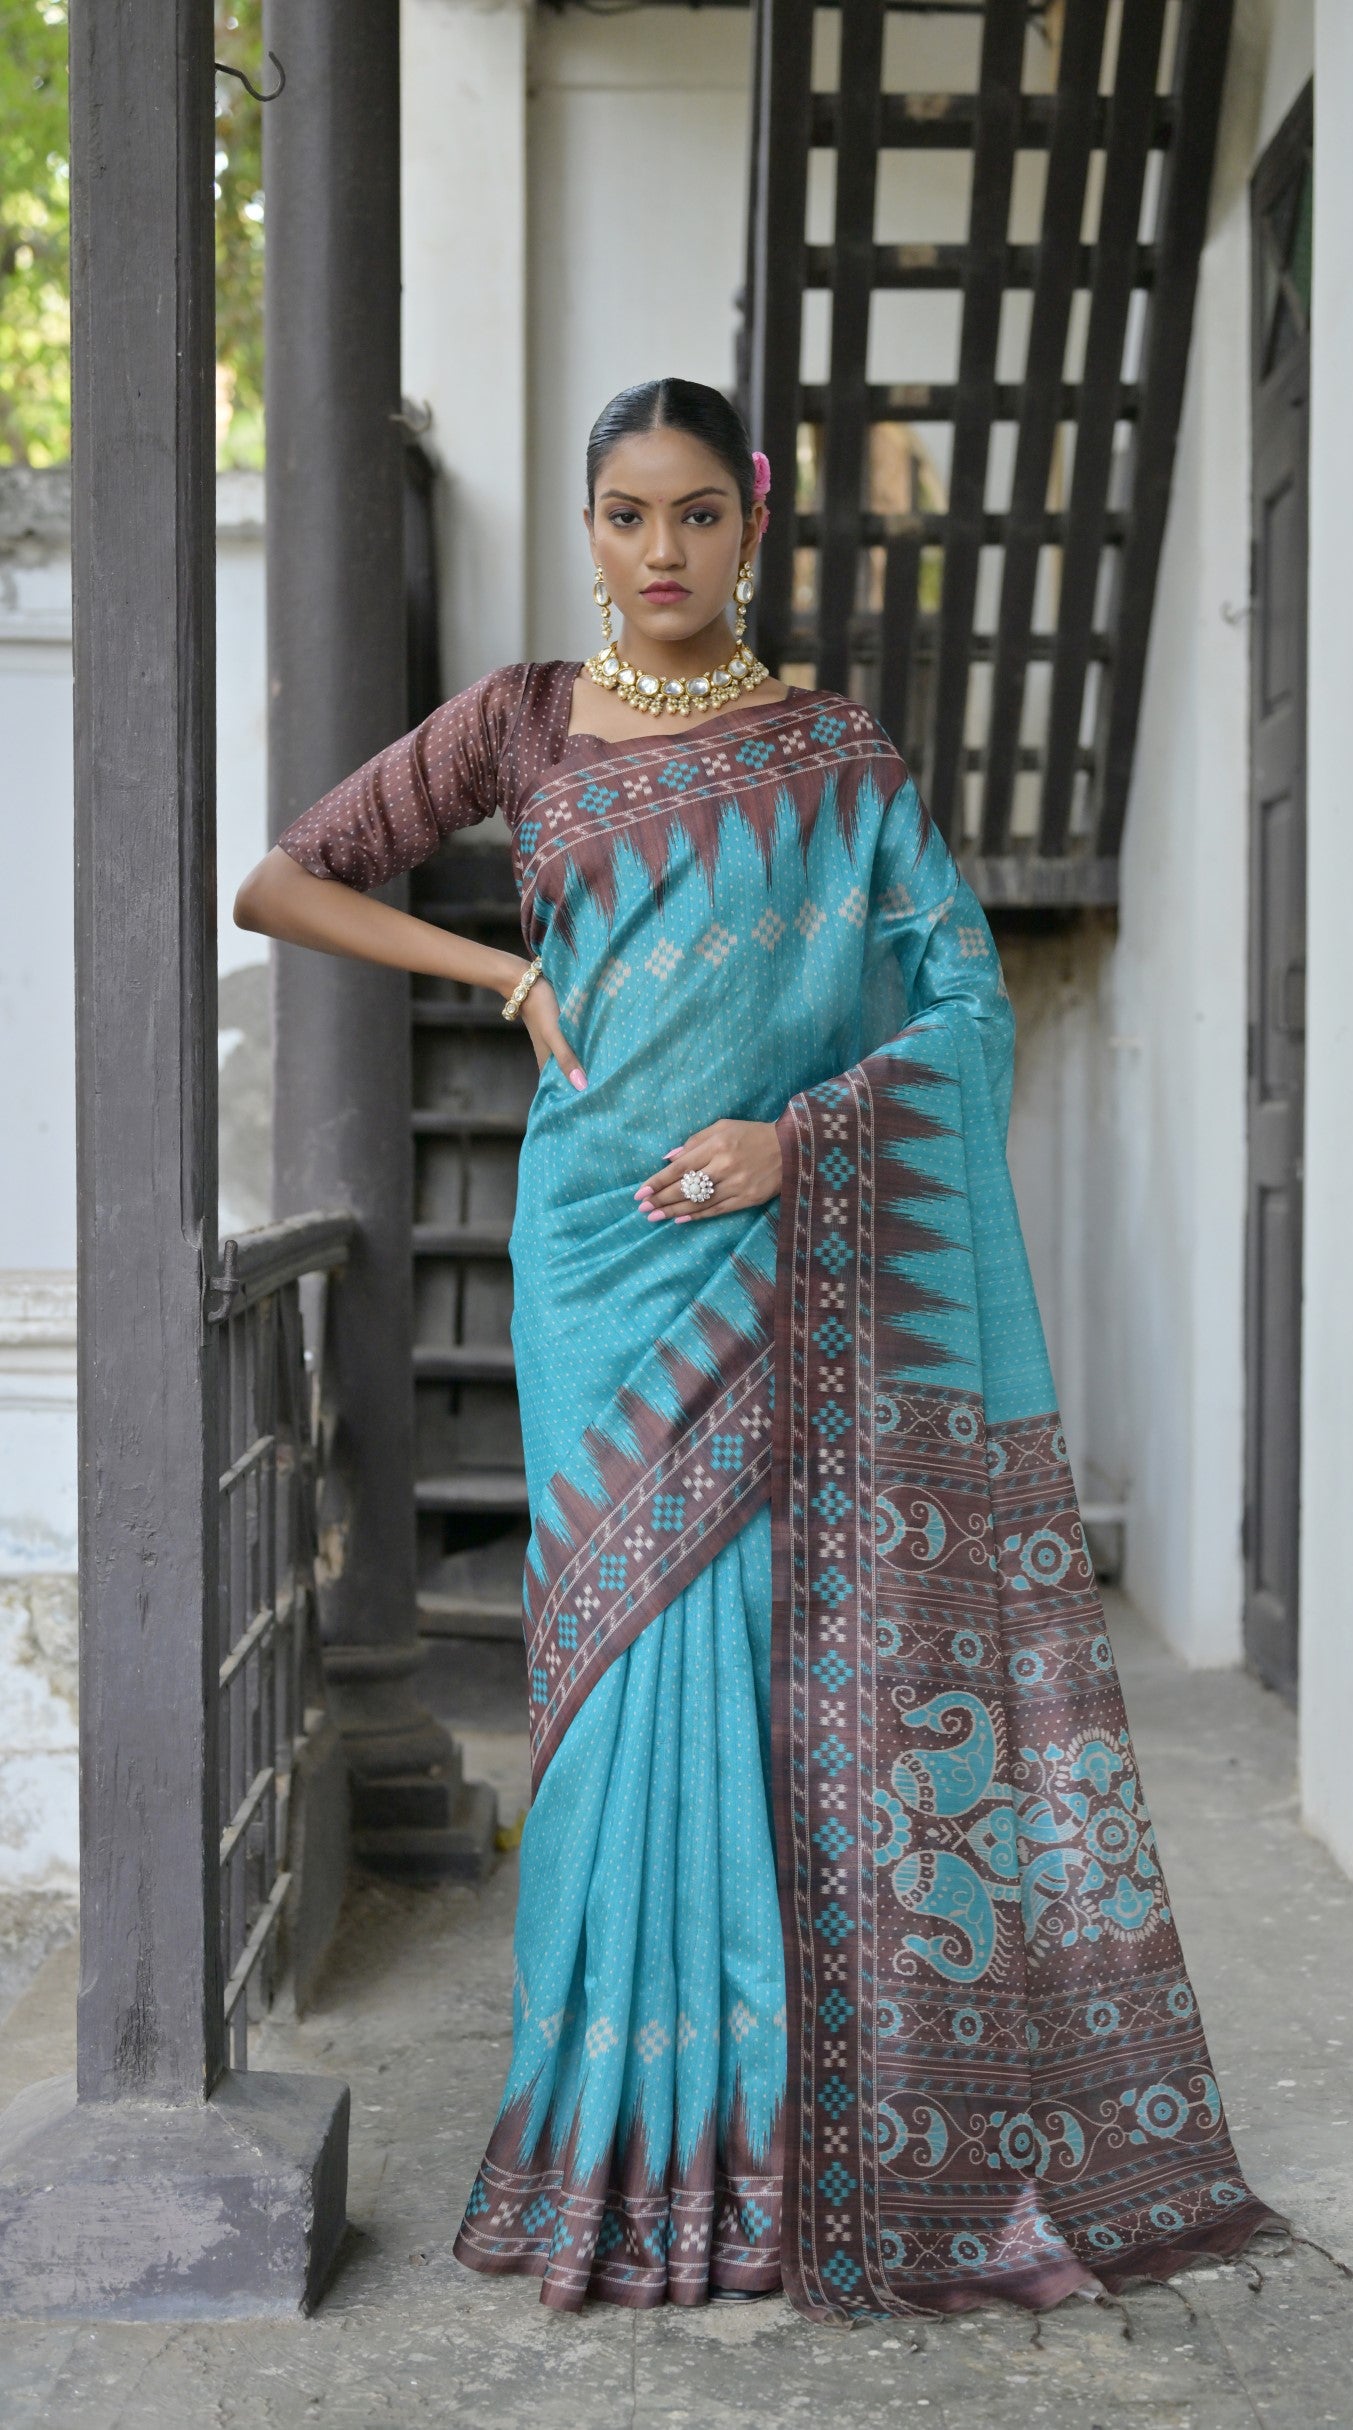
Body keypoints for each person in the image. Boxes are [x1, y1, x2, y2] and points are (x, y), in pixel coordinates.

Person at [235, 376, 1277, 2322]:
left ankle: (772, 2151)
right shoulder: (524, 720)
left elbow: (966, 1004)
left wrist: (798, 1143)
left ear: (758, 520)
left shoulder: (839, 758)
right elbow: (282, 877)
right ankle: (611, 2143)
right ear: (587, 525)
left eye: (698, 513)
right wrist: (505, 971)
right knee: (609, 1691)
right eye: (628, 514)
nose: (662, 551)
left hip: (773, 1248)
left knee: (763, 1685)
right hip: (593, 1257)